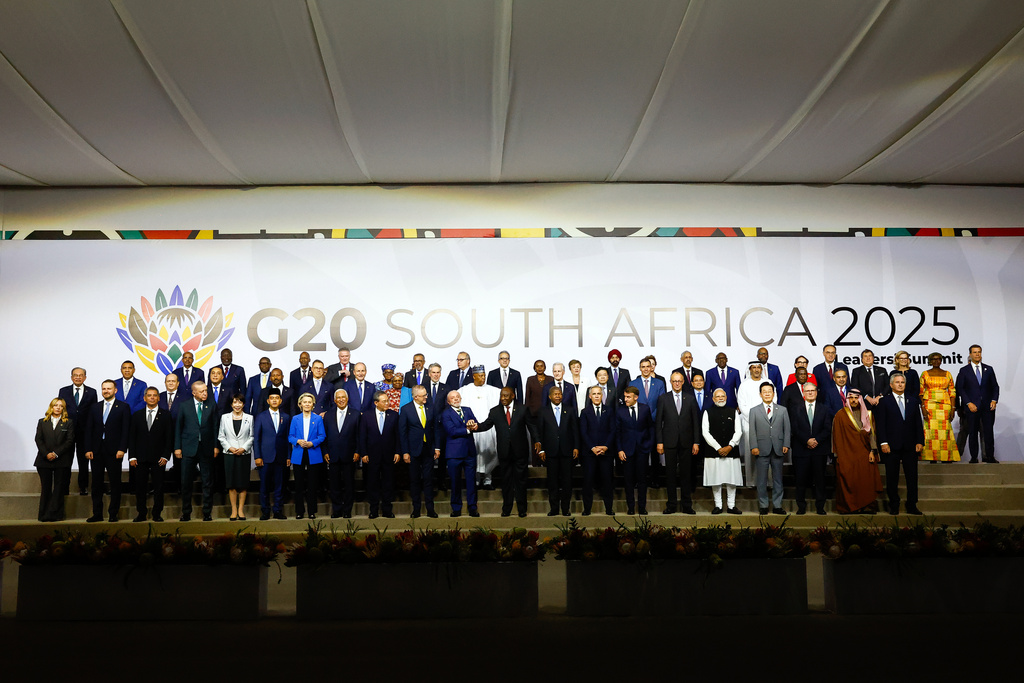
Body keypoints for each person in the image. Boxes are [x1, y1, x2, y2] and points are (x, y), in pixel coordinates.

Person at [475, 387, 531, 517]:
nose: (503, 398)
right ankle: (506, 509)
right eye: (501, 396)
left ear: (513, 396)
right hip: (504, 452)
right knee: (506, 482)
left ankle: (522, 510)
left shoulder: (523, 409)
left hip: (520, 452)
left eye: (506, 396)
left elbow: (532, 427)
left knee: (521, 482)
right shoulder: (495, 411)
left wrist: (538, 442)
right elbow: (486, 425)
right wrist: (475, 427)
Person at [874, 373, 925, 515]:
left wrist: (920, 441)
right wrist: (883, 443)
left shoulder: (913, 401)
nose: (900, 384)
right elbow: (881, 425)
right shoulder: (884, 402)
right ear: (891, 385)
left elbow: (918, 423)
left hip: (910, 445)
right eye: (897, 382)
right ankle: (894, 505)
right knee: (892, 477)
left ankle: (912, 505)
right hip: (891, 446)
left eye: (902, 382)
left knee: (912, 477)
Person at [84, 379, 131, 523]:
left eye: (109, 388)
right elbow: (89, 429)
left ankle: (113, 514)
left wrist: (122, 448)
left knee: (115, 483)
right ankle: (97, 514)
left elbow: (126, 430)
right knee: (96, 484)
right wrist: (88, 448)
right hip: (96, 450)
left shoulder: (123, 407)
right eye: (104, 388)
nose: (106, 391)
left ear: (115, 390)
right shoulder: (95, 407)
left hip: (114, 451)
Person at [655, 372, 701, 515]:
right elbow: (658, 422)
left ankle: (687, 505)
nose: (677, 383)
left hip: (687, 443)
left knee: (686, 475)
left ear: (683, 382)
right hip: (669, 442)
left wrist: (696, 442)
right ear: (670, 382)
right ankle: (671, 505)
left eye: (679, 381)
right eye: (674, 381)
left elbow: (695, 422)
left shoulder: (690, 398)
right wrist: (659, 442)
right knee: (670, 475)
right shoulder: (663, 398)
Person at [831, 388, 882, 514]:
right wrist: (837, 455)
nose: (854, 400)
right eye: (851, 398)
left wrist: (873, 451)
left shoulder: (868, 414)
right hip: (847, 454)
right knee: (849, 480)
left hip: (865, 453)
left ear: (860, 399)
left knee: (866, 480)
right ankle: (851, 507)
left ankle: (866, 506)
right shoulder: (840, 415)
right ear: (847, 399)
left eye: (856, 398)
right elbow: (836, 436)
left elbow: (872, 434)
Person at [530, 386, 578, 516]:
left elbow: (575, 430)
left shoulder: (570, 410)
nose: (557, 396)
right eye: (555, 394)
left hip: (567, 451)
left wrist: (576, 447)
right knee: (552, 482)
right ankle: (554, 509)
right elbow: (540, 432)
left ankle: (565, 509)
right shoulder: (543, 411)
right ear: (550, 396)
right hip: (550, 452)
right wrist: (541, 450)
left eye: (559, 394)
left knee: (567, 482)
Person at [175, 380, 219, 522]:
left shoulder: (211, 405)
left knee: (207, 482)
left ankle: (207, 512)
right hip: (188, 448)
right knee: (186, 482)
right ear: (194, 393)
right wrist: (177, 447)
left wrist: (216, 446)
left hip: (206, 448)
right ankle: (186, 512)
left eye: (206, 390)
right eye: (202, 391)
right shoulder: (184, 406)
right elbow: (178, 428)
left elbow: (215, 427)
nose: (205, 393)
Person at [128, 387, 172, 522]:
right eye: (149, 395)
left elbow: (169, 437)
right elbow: (132, 437)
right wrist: (132, 456)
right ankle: (141, 513)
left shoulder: (165, 415)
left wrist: (165, 456)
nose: (152, 398)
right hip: (140, 458)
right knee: (140, 487)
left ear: (158, 398)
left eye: (154, 395)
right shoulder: (137, 415)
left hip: (159, 458)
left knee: (159, 487)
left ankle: (157, 514)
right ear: (144, 398)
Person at [747, 382, 791, 515]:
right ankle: (763, 505)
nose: (767, 394)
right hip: (761, 449)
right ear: (760, 394)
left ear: (773, 393)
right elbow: (752, 431)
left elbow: (787, 429)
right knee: (761, 480)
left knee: (778, 479)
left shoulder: (782, 410)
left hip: (778, 448)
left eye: (769, 391)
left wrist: (786, 444)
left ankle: (777, 506)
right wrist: (754, 446)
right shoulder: (754, 411)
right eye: (764, 391)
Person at [356, 390, 400, 519]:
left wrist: (397, 451)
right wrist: (364, 453)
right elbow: (362, 436)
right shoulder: (366, 415)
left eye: (388, 400)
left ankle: (387, 510)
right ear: (376, 403)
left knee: (388, 483)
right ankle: (373, 510)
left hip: (389, 455)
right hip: (371, 456)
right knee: (372, 483)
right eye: (384, 401)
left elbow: (398, 436)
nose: (387, 403)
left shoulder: (394, 415)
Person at [790, 383, 832, 515]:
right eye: (807, 391)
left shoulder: (824, 409)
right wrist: (806, 440)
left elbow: (827, 428)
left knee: (820, 480)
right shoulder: (795, 408)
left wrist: (816, 440)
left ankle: (820, 507)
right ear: (803, 393)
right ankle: (801, 507)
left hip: (819, 450)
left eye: (812, 390)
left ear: (816, 392)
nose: (810, 393)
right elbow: (794, 428)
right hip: (801, 450)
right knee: (800, 480)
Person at [398, 385, 439, 518]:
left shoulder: (430, 407)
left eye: (426, 394)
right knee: (414, 480)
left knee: (428, 480)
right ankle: (416, 509)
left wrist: (437, 447)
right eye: (424, 395)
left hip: (428, 450)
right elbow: (402, 432)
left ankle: (430, 509)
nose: (426, 397)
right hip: (413, 450)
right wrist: (405, 452)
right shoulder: (406, 409)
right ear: (416, 397)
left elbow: (435, 429)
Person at [955, 344, 1000, 463]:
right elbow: (961, 389)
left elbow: (995, 387)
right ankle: (974, 457)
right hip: (972, 407)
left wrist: (994, 400)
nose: (977, 354)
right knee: (973, 433)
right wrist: (968, 403)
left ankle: (990, 456)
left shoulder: (988, 369)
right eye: (974, 352)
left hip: (987, 407)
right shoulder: (964, 370)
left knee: (988, 432)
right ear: (970, 354)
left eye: (979, 352)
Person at [701, 389, 743, 515]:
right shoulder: (707, 412)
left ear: (726, 397)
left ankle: (731, 506)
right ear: (713, 399)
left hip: (731, 451)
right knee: (716, 480)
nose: (720, 398)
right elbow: (705, 432)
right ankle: (718, 506)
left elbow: (739, 431)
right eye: (718, 396)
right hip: (713, 452)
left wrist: (730, 446)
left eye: (722, 396)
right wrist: (718, 448)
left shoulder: (733, 412)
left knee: (732, 480)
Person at [439, 390, 479, 517]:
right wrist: (467, 429)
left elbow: (475, 423)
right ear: (448, 401)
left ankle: (472, 507)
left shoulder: (467, 410)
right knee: (455, 482)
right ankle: (456, 508)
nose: (456, 399)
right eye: (453, 398)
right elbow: (452, 431)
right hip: (454, 454)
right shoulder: (446, 414)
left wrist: (474, 425)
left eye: (457, 397)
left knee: (471, 482)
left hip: (470, 452)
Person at [58, 367, 97, 496]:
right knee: (66, 460)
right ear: (71, 377)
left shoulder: (92, 392)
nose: (78, 377)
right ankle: (64, 487)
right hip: (67, 431)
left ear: (85, 377)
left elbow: (94, 412)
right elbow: (60, 410)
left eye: (81, 375)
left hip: (84, 432)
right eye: (75, 375)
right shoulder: (63, 391)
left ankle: (83, 486)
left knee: (83, 461)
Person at [460, 366, 501, 489]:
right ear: (474, 376)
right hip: (473, 428)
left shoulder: (493, 391)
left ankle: (488, 480)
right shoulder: (465, 390)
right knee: (475, 453)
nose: (483, 378)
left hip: (487, 428)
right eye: (480, 376)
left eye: (484, 375)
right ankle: (476, 480)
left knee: (489, 452)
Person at [253, 388, 290, 520]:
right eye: (272, 398)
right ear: (268, 401)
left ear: (280, 401)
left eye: (277, 398)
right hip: (265, 457)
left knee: (279, 486)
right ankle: (265, 511)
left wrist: (288, 456)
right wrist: (257, 456)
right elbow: (256, 438)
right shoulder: (261, 416)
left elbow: (287, 438)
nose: (274, 400)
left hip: (280, 457)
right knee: (264, 486)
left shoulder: (286, 417)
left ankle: (278, 510)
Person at [35, 397, 75, 522]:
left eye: (61, 406)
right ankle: (43, 515)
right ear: (51, 407)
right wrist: (46, 454)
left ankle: (56, 515)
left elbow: (69, 441)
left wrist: (56, 453)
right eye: (55, 405)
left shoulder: (68, 422)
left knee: (58, 488)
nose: (58, 408)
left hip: (61, 460)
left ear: (64, 408)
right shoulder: (42, 422)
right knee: (46, 488)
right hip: (44, 460)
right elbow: (38, 439)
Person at [322, 388, 360, 519]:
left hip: (350, 455)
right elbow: (324, 435)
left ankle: (347, 510)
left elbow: (359, 435)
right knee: (334, 485)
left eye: (343, 397)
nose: (341, 399)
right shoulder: (328, 415)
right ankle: (337, 510)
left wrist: (357, 451)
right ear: (334, 400)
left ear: (347, 399)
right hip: (332, 455)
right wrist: (325, 452)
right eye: (338, 397)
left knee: (349, 484)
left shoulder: (355, 414)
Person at [579, 385, 616, 515]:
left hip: (606, 453)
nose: (596, 396)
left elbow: (613, 430)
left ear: (602, 395)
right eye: (594, 394)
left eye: (598, 394)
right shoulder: (585, 412)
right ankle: (587, 509)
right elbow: (583, 432)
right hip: (590, 453)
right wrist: (593, 447)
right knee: (588, 482)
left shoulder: (609, 410)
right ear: (590, 396)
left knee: (607, 481)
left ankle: (609, 508)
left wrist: (606, 446)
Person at [616, 387, 654, 515]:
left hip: (642, 450)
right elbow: (617, 432)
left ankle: (642, 507)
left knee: (642, 480)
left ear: (636, 397)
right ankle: (631, 507)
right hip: (627, 451)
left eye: (628, 397)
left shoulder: (645, 409)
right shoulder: (620, 411)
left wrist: (649, 444)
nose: (625, 399)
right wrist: (620, 449)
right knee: (629, 481)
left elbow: (650, 427)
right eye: (625, 397)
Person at [288, 393, 326, 520]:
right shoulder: (295, 419)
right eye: (305, 402)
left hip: (313, 453)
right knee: (298, 485)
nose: (307, 404)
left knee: (312, 485)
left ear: (313, 404)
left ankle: (311, 511)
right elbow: (290, 436)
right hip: (298, 453)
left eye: (309, 402)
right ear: (300, 404)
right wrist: (298, 441)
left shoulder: (318, 419)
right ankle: (299, 511)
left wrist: (312, 443)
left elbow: (322, 436)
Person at [919, 352, 960, 464]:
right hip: (929, 405)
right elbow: (920, 392)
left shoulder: (947, 374)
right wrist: (923, 407)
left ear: (941, 361)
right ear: (930, 361)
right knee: (931, 432)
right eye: (933, 359)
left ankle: (946, 457)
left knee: (945, 431)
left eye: (938, 359)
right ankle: (932, 457)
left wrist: (953, 408)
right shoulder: (925, 374)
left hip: (945, 405)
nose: (936, 361)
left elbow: (952, 392)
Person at [218, 394, 254, 521]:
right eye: (235, 402)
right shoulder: (224, 417)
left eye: (240, 402)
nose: (237, 405)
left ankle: (241, 510)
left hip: (244, 454)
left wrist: (244, 448)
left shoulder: (249, 418)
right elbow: (221, 436)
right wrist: (230, 448)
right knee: (231, 483)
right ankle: (233, 510)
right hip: (229, 454)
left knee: (243, 483)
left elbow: (252, 436)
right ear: (231, 404)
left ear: (243, 404)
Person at [736, 360, 767, 484]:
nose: (756, 369)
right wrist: (754, 418)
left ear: (761, 369)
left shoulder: (768, 383)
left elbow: (773, 400)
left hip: (766, 423)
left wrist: (763, 418)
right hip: (749, 423)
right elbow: (741, 404)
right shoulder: (744, 385)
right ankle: (752, 482)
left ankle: (768, 482)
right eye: (753, 367)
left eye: (758, 367)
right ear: (750, 370)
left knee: (766, 452)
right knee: (751, 453)